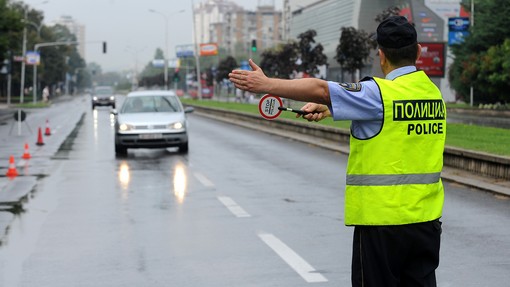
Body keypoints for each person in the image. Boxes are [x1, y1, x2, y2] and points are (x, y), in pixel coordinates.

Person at [229, 16, 446, 287]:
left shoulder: (379, 93)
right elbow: (396, 122)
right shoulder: (432, 94)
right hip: (426, 224)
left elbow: (320, 89)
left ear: (381, 55)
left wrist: (267, 84)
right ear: (418, 51)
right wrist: (333, 109)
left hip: (383, 225)